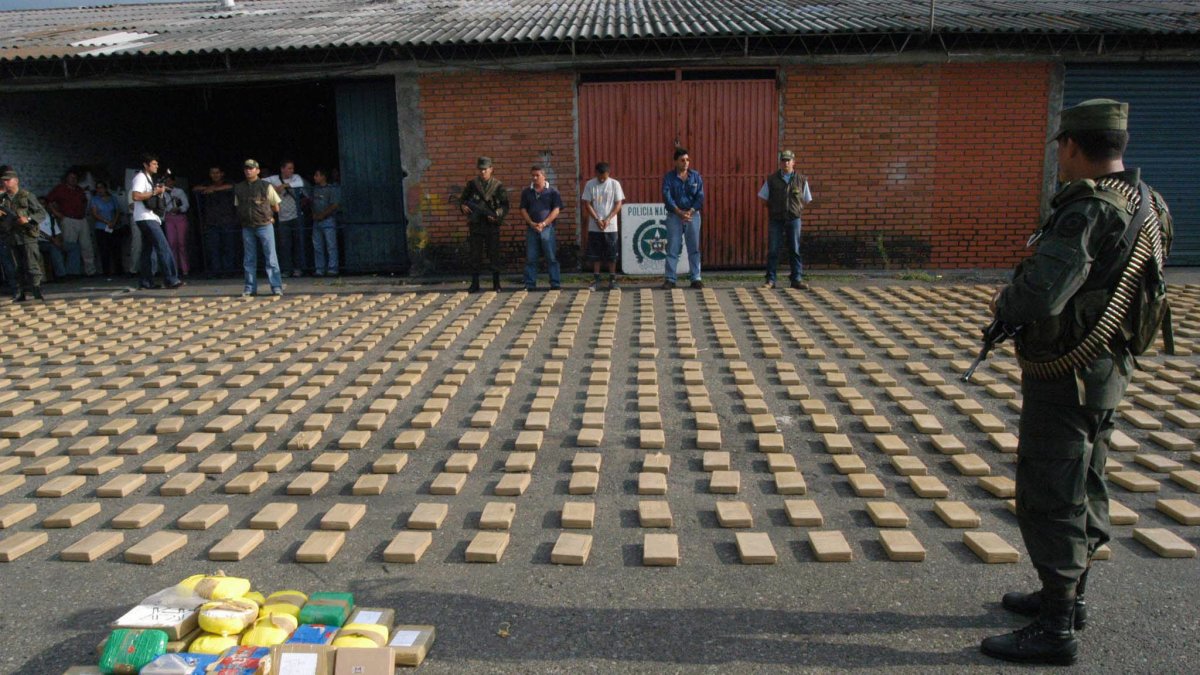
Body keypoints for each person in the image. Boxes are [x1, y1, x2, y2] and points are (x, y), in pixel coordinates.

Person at [983, 99, 1172, 666]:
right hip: (1109, 368)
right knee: (1087, 480)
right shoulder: (1149, 203)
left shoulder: (1088, 209)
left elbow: (1042, 293)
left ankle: (1057, 627)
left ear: (1071, 146)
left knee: (1050, 492)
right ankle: (1067, 595)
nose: (1059, 158)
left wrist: (1004, 303)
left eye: (1060, 148)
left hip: (1069, 373)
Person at [758, 150, 813, 289]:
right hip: (776, 219)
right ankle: (770, 280)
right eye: (783, 160)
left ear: (793, 162)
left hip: (794, 219)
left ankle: (796, 279)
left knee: (794, 249)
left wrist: (795, 208)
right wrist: (775, 208)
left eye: (788, 160)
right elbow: (763, 198)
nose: (786, 163)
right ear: (780, 162)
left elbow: (806, 199)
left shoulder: (801, 180)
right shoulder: (772, 179)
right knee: (773, 250)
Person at [130, 153, 184, 290]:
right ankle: (171, 279)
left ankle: (146, 281)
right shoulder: (140, 177)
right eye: (153, 164)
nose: (156, 166)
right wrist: (155, 192)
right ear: (145, 165)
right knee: (163, 247)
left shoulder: (148, 178)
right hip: (145, 217)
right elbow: (135, 196)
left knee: (147, 250)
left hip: (148, 217)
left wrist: (158, 191)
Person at [459, 156, 509, 292]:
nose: (482, 172)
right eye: (480, 169)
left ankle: (496, 283)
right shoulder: (472, 184)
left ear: (491, 169)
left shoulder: (498, 186)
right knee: (475, 255)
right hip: (476, 225)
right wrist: (463, 206)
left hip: (491, 225)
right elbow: (463, 200)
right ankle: (475, 283)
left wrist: (497, 214)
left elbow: (505, 205)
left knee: (494, 254)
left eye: (485, 169)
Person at [234, 159, 283, 297]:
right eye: (246, 168)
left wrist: (270, 217)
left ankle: (276, 287)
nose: (248, 170)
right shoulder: (239, 187)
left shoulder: (266, 186)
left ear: (258, 170)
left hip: (264, 225)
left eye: (251, 168)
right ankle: (249, 288)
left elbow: (276, 206)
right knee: (249, 258)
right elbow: (238, 206)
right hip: (247, 226)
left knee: (271, 257)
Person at [0, 168, 48, 301]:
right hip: (11, 236)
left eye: (8, 180)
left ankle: (37, 291)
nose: (5, 183)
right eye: (3, 180)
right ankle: (20, 293)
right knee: (16, 266)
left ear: (16, 181)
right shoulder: (2, 199)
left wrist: (28, 219)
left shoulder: (26, 196)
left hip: (27, 235)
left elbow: (41, 213)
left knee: (32, 264)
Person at [661, 147, 705, 289]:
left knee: (694, 248)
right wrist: (679, 212)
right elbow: (667, 197)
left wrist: (691, 211)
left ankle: (696, 278)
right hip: (675, 216)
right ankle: (670, 279)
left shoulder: (696, 176)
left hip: (693, 215)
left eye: (687, 160)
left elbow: (700, 196)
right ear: (675, 162)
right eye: (682, 160)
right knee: (673, 247)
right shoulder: (669, 178)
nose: (686, 163)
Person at [581, 161, 625, 291]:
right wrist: (597, 219)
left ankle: (612, 280)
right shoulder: (590, 184)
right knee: (596, 254)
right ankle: (596, 280)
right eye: (600, 176)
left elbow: (618, 203)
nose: (601, 179)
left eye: (604, 177)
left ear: (608, 174)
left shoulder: (614, 184)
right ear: (596, 173)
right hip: (595, 226)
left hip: (611, 226)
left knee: (612, 254)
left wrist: (608, 218)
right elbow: (587, 203)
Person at [519, 165, 563, 291]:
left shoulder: (553, 192)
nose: (534, 178)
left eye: (537, 175)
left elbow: (556, 210)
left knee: (551, 256)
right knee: (531, 257)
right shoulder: (527, 192)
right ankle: (530, 284)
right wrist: (531, 223)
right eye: (532, 175)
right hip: (532, 228)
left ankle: (555, 283)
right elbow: (523, 209)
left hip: (547, 229)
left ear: (544, 176)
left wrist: (544, 223)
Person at [46, 169, 97, 277]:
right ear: (66, 179)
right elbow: (48, 201)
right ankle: (71, 272)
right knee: (70, 245)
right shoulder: (60, 189)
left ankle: (90, 271)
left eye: (75, 178)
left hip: (82, 219)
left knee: (87, 245)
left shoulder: (79, 190)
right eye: (71, 178)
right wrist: (58, 214)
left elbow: (85, 202)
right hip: (68, 219)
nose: (73, 180)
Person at [193, 166, 239, 275]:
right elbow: (195, 189)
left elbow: (233, 187)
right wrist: (207, 188)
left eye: (217, 173)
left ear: (222, 174)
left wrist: (213, 189)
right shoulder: (207, 183)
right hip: (211, 221)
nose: (215, 175)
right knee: (213, 248)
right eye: (212, 173)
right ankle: (216, 271)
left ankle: (229, 270)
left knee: (229, 246)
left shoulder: (228, 182)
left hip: (227, 220)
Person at [265, 160, 307, 277]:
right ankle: (287, 269)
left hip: (297, 216)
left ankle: (298, 269)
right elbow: (261, 181)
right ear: (282, 169)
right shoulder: (274, 179)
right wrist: (272, 187)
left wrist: (284, 185)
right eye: (288, 168)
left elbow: (299, 183)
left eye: (292, 168)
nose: (291, 171)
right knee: (285, 246)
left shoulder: (296, 177)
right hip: (283, 218)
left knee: (298, 244)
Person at [89, 181, 125, 279]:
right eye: (98, 188)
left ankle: (119, 270)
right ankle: (106, 271)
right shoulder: (94, 200)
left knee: (116, 249)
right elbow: (95, 213)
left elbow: (117, 211)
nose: (100, 190)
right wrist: (106, 222)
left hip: (114, 226)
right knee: (104, 250)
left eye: (101, 188)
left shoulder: (113, 198)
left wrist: (113, 221)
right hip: (101, 227)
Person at [309, 168, 340, 277]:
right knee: (317, 246)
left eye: (317, 175)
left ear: (323, 176)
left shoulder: (331, 189)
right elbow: (312, 203)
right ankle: (320, 269)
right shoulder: (314, 189)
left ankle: (333, 268)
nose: (315, 177)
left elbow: (334, 205)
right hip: (317, 221)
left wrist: (322, 215)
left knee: (331, 245)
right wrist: (314, 214)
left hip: (328, 220)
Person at [162, 174, 191, 276]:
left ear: (174, 182)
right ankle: (174, 269)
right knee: (172, 243)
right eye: (166, 181)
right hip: (169, 217)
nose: (168, 183)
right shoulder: (162, 193)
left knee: (181, 243)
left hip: (180, 217)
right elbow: (160, 206)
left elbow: (186, 204)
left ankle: (185, 269)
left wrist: (179, 208)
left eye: (170, 181)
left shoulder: (179, 191)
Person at [36, 198, 67, 280]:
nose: (41, 205)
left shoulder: (49, 216)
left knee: (74, 247)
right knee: (54, 248)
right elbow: (38, 232)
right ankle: (61, 275)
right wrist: (53, 240)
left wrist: (58, 240)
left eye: (43, 203)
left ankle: (73, 273)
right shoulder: (34, 216)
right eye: (39, 203)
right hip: (41, 242)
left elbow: (57, 231)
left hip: (53, 240)